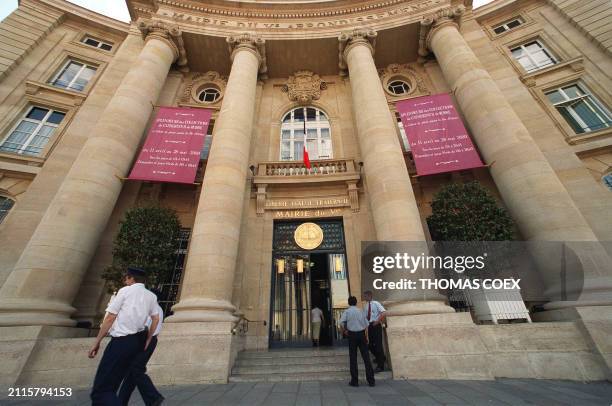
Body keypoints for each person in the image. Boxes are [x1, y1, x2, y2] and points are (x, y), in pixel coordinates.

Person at [89, 267, 159, 406]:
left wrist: (97, 342)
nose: (125, 281)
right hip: (137, 341)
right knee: (114, 384)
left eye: (126, 278)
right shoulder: (151, 296)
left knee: (102, 390)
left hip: (121, 341)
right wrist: (149, 338)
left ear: (131, 278)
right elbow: (155, 318)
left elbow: (110, 317)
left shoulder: (125, 291)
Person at [118, 292, 165, 406]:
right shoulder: (158, 309)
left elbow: (146, 327)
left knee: (136, 369)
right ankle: (121, 402)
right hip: (149, 339)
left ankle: (154, 397)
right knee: (132, 372)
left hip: (146, 339)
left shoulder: (152, 310)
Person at [339, 296, 375, 387]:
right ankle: (371, 381)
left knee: (353, 358)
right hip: (361, 335)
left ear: (348, 303)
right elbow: (366, 324)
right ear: (356, 302)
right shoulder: (361, 311)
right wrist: (366, 336)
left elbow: (341, 323)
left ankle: (355, 381)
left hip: (352, 335)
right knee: (366, 358)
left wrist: (345, 331)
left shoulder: (347, 311)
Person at [363, 290, 386, 372]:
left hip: (376, 325)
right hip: (370, 326)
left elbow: (383, 312)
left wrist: (377, 321)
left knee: (378, 345)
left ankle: (380, 366)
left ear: (370, 296)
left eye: (365, 296)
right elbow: (365, 317)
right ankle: (380, 358)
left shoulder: (376, 303)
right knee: (370, 345)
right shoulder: (365, 306)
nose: (364, 297)